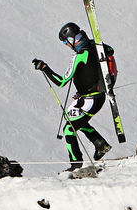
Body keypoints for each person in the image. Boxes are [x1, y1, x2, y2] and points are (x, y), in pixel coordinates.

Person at [32, 22, 112, 171]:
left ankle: (76, 164)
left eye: (66, 42)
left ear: (72, 39)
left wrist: (44, 68)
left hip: (90, 99)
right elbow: (110, 50)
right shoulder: (95, 47)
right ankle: (100, 144)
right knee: (73, 120)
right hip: (96, 96)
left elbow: (61, 82)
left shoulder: (80, 55)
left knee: (69, 129)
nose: (67, 46)